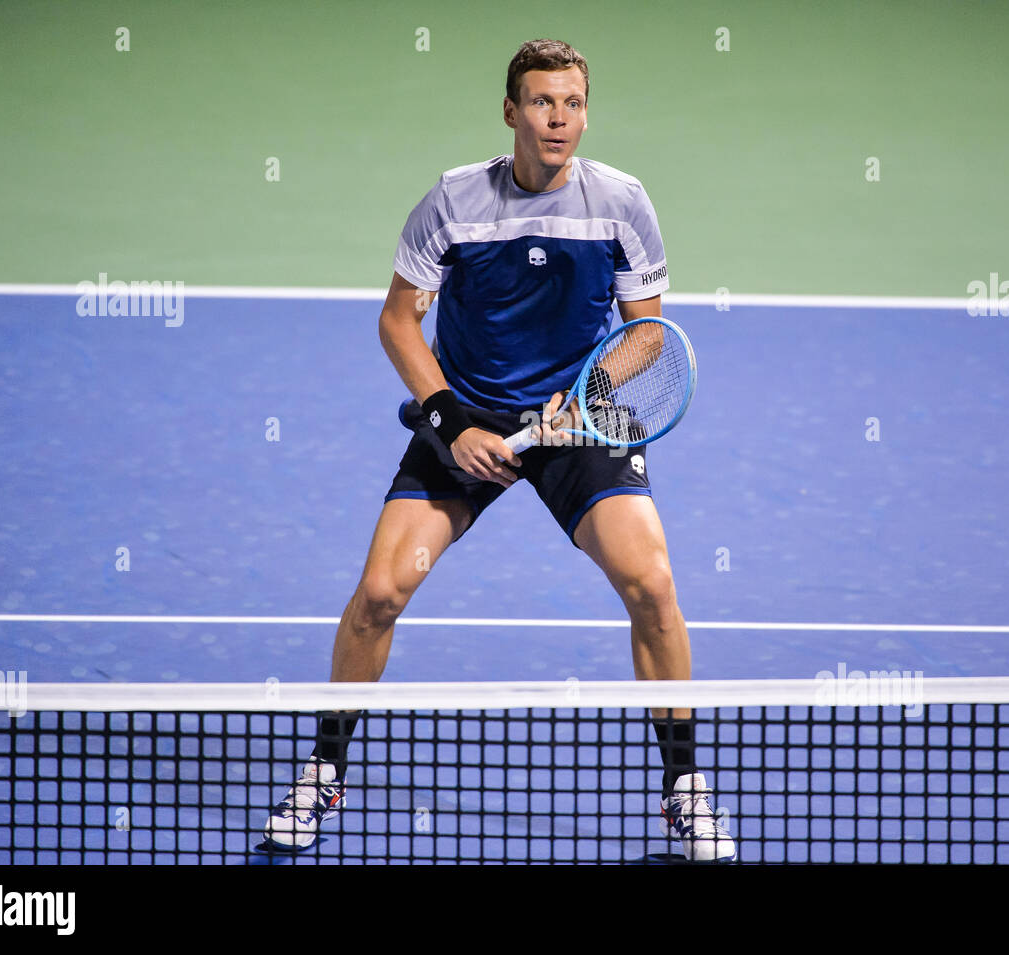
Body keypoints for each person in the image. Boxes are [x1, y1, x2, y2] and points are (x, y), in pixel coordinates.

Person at [264, 38, 735, 863]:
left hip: (578, 416)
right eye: (543, 103)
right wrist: (450, 422)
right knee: (381, 590)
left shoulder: (623, 201)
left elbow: (646, 336)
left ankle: (685, 789)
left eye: (574, 103)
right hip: (470, 411)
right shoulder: (451, 201)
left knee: (651, 581)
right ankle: (323, 772)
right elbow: (398, 321)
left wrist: (586, 396)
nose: (560, 119)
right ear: (511, 110)